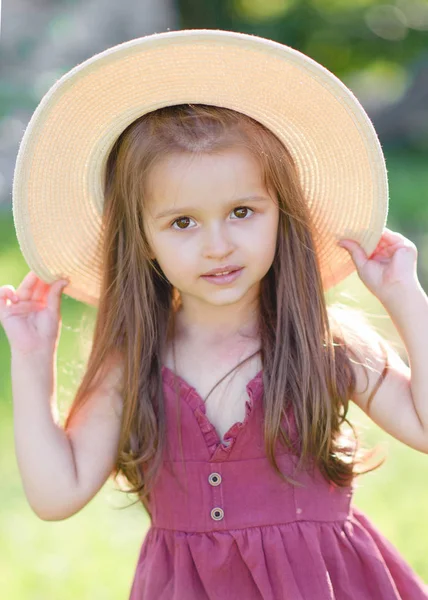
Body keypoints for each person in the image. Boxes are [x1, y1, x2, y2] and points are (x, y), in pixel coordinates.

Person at [2, 29, 428, 599]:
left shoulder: (325, 344)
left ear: (283, 214)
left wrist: (404, 296)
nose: (217, 245)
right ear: (143, 240)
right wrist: (32, 362)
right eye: (183, 222)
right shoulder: (136, 363)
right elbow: (56, 496)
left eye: (243, 211)